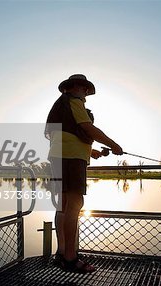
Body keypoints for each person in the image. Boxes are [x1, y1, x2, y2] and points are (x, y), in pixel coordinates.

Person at [45, 74, 123, 273]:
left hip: (59, 156)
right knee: (75, 204)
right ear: (75, 87)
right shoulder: (73, 101)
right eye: (85, 89)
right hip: (70, 159)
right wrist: (113, 144)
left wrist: (92, 151)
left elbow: (67, 135)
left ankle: (61, 253)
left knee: (62, 206)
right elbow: (87, 127)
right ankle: (71, 258)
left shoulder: (61, 105)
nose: (86, 93)